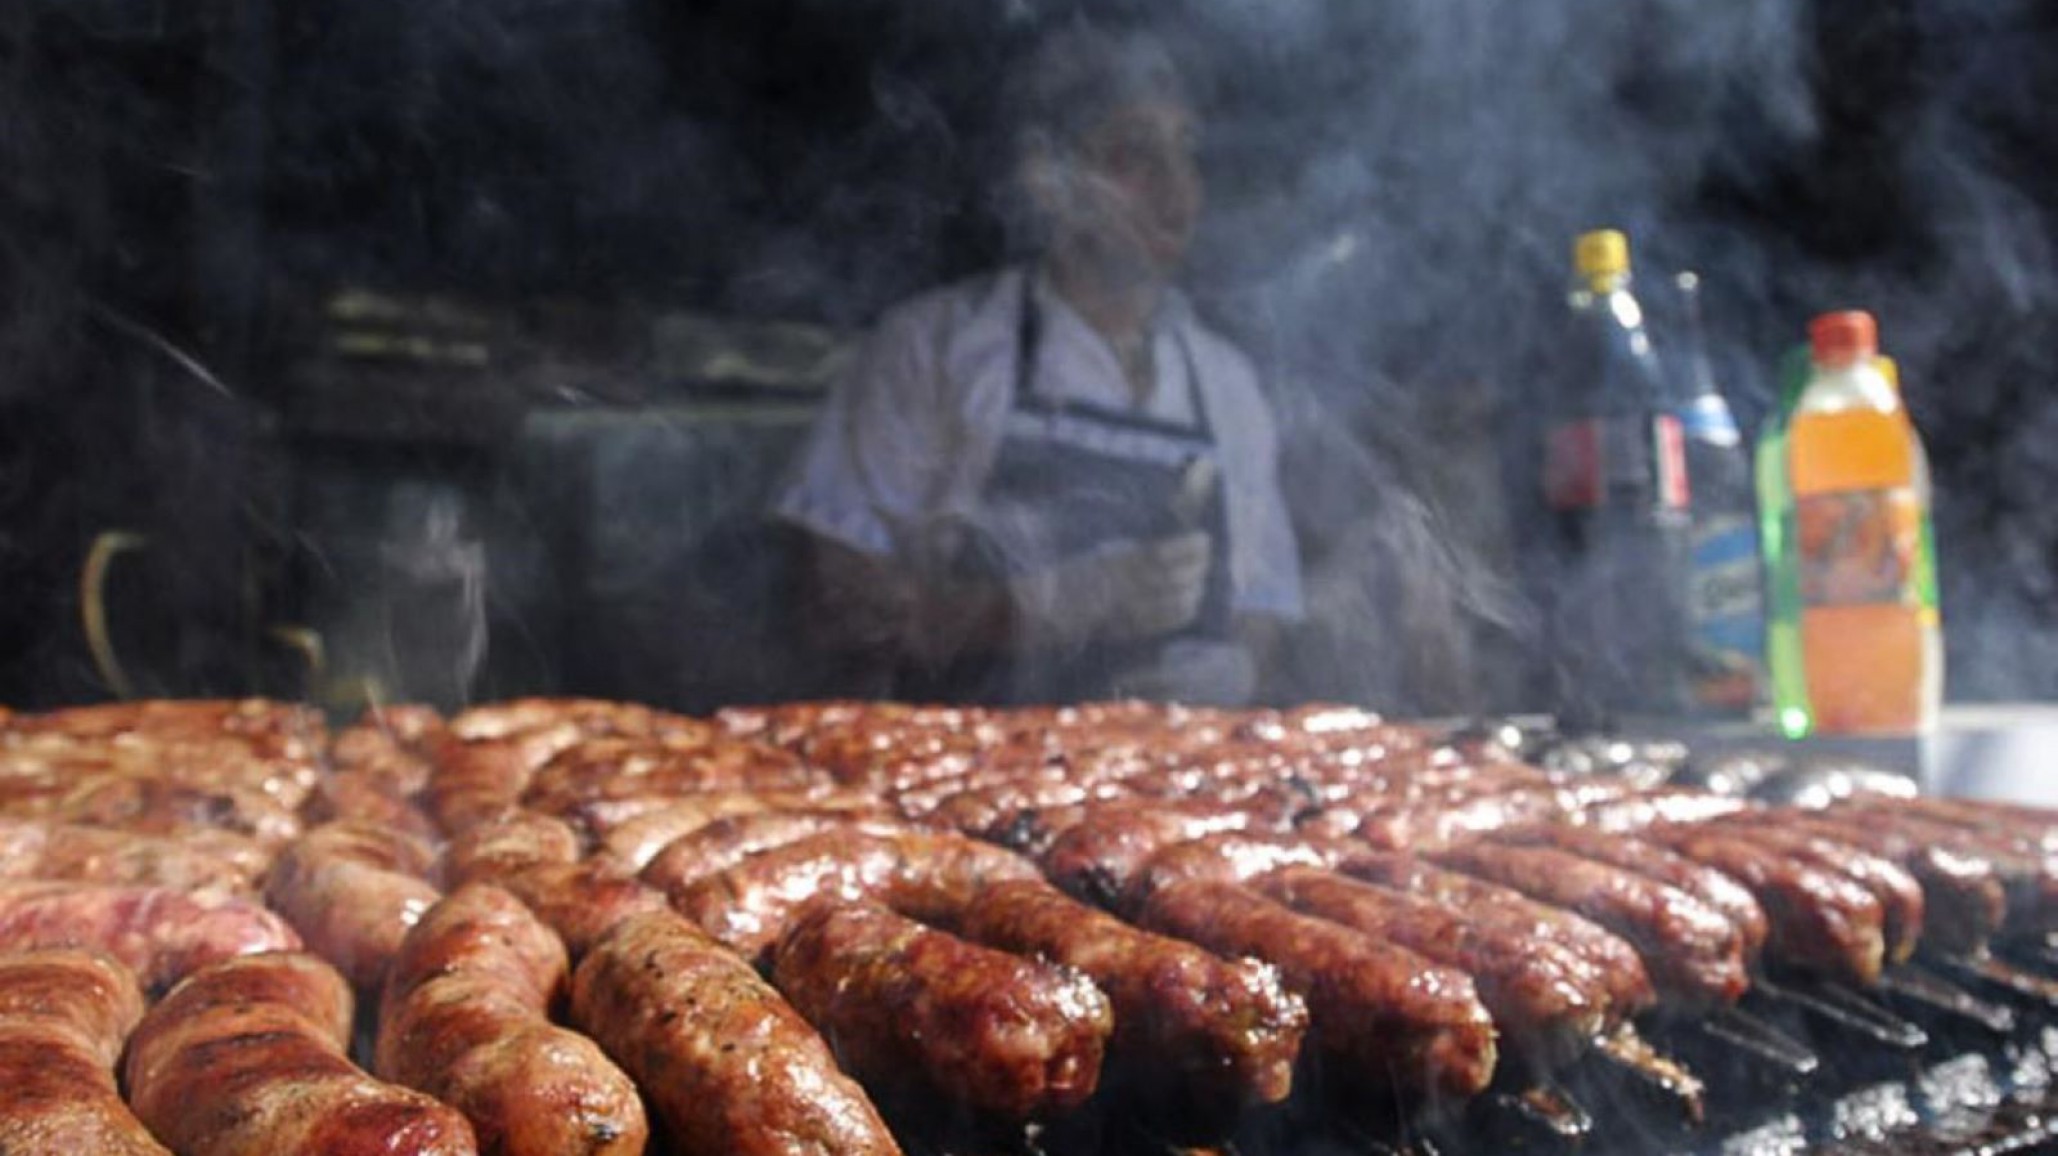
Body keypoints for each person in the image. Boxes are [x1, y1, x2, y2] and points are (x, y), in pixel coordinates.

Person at [770, 25, 1302, 705]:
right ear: (1048, 179)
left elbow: (1263, 609)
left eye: (1186, 154)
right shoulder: (935, 348)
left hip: (1169, 799)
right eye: (1135, 154)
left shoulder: (1228, 386)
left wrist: (1235, 669)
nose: (1178, 192)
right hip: (944, 781)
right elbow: (831, 608)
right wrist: (1043, 608)